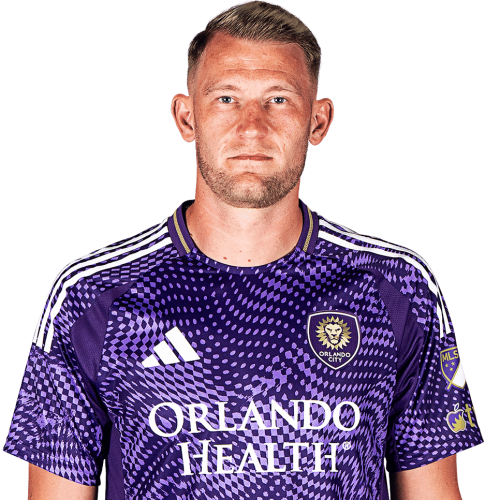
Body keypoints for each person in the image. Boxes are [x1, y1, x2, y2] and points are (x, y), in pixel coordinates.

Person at [4, 1, 483, 499]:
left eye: (278, 99)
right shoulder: (92, 296)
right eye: (226, 98)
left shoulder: (397, 286)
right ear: (186, 117)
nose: (252, 127)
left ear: (319, 121)